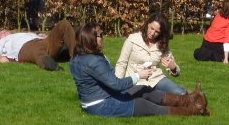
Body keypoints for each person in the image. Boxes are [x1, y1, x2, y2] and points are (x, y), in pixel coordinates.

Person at [70, 22, 207, 116]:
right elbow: (116, 84)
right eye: (100, 35)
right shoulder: (93, 61)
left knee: (143, 90)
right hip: (100, 104)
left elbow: (110, 82)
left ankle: (190, 99)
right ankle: (195, 110)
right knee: (143, 105)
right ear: (91, 38)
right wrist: (138, 75)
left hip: (103, 96)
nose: (103, 37)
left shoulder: (79, 57)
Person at [115, 13, 185, 96]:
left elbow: (175, 69)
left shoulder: (162, 44)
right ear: (148, 24)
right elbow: (122, 63)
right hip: (137, 81)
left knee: (180, 93)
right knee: (150, 99)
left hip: (156, 79)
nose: (152, 33)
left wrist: (173, 68)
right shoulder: (133, 39)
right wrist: (117, 85)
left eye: (157, 32)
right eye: (152, 28)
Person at [0, 20, 78, 71]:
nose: (4, 31)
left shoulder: (20, 34)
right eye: (1, 33)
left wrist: (41, 35)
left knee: (63, 24)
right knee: (37, 51)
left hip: (43, 41)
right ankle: (48, 63)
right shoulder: (2, 41)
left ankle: (77, 56)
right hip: (25, 48)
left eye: (5, 30)